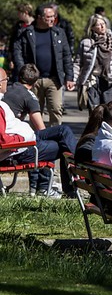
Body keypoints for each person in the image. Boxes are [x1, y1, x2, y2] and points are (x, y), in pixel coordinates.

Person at [0, 67, 76, 197]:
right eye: (6, 79)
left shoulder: (5, 98)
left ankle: (56, 186)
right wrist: (23, 140)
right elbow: (3, 140)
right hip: (18, 150)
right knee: (61, 145)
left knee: (64, 131)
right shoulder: (26, 97)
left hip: (24, 142)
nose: (8, 81)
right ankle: (71, 185)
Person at [13, 3, 75, 127]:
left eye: (54, 16)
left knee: (56, 109)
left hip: (54, 79)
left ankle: (55, 137)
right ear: (40, 17)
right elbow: (17, 51)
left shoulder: (59, 33)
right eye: (49, 17)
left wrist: (69, 77)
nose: (52, 19)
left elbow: (66, 55)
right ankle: (36, 140)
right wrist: (23, 71)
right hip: (33, 80)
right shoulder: (27, 32)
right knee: (35, 111)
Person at [74, 15, 112, 111]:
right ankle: (95, 126)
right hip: (92, 80)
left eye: (103, 24)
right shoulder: (86, 43)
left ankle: (105, 126)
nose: (102, 26)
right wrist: (73, 79)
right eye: (98, 25)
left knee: (109, 110)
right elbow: (77, 62)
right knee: (95, 111)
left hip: (109, 79)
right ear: (92, 27)